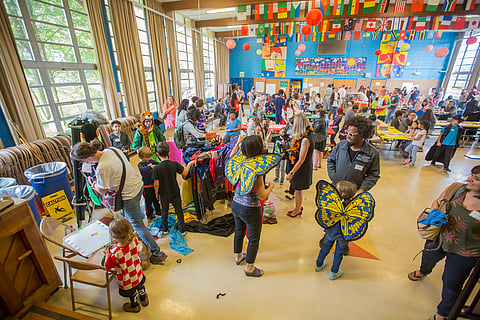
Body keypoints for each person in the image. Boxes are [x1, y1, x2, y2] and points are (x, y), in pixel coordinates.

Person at [72, 140, 167, 265]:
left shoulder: (102, 167)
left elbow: (103, 189)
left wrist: (94, 184)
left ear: (88, 158)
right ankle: (134, 240)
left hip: (129, 194)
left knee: (137, 224)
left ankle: (156, 252)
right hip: (137, 185)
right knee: (131, 219)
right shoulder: (111, 150)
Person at [408, 165, 480, 320]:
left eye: (477, 179)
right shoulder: (457, 189)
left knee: (451, 284)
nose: (469, 179)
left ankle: (442, 314)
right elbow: (438, 201)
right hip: (440, 238)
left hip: (465, 251)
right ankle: (423, 271)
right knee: (428, 258)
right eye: (471, 175)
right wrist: (435, 213)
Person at [326, 116, 380, 254]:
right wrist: (334, 177)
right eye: (347, 133)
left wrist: (362, 189)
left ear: (362, 135)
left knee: (348, 222)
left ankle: (343, 245)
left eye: (351, 134)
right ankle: (328, 237)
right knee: (331, 217)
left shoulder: (372, 153)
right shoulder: (340, 146)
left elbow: (374, 174)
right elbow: (330, 161)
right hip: (336, 190)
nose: (347, 136)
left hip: (354, 195)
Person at [230, 135, 275, 277]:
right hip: (250, 208)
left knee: (239, 231)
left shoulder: (239, 161)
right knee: (253, 239)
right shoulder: (257, 170)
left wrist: (238, 142)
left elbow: (231, 156)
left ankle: (238, 256)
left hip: (236, 204)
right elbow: (262, 195)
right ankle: (249, 268)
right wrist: (271, 187)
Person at [104, 219, 149, 313]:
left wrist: (107, 253)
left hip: (127, 278)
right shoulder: (135, 241)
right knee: (140, 286)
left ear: (113, 236)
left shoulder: (116, 252)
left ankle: (134, 305)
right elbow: (137, 253)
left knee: (132, 293)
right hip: (137, 272)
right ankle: (144, 298)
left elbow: (107, 266)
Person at [315, 180, 357, 280]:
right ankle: (334, 272)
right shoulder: (352, 208)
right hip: (343, 234)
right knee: (339, 253)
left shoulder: (332, 204)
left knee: (325, 248)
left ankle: (319, 265)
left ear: (341, 194)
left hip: (330, 231)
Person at [153, 142, 194, 236]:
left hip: (164, 193)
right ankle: (182, 230)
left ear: (157, 154)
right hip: (175, 190)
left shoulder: (157, 168)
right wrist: (189, 165)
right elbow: (184, 174)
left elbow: (156, 184)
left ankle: (165, 230)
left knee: (164, 211)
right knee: (179, 210)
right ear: (169, 152)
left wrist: (156, 193)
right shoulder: (174, 164)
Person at [286, 114, 314, 218]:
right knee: (297, 189)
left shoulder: (305, 140)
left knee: (297, 189)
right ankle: (297, 207)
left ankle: (297, 209)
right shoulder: (306, 135)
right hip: (300, 167)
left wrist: (291, 173)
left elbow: (301, 159)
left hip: (301, 168)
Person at [137, 147, 161, 220]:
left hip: (154, 184)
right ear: (141, 157)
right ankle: (149, 214)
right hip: (146, 186)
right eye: (146, 157)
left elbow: (159, 164)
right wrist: (151, 167)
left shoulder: (151, 161)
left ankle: (158, 210)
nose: (148, 159)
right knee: (148, 201)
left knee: (156, 199)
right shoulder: (140, 165)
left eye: (149, 157)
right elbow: (142, 170)